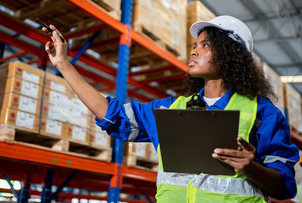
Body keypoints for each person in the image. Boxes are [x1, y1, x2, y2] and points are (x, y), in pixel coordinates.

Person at [43, 15, 299, 202]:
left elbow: (284, 186)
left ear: (232, 54)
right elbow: (112, 114)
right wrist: (64, 64)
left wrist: (249, 167)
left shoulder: (262, 113)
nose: (195, 51)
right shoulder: (172, 109)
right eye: (195, 45)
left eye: (206, 45)